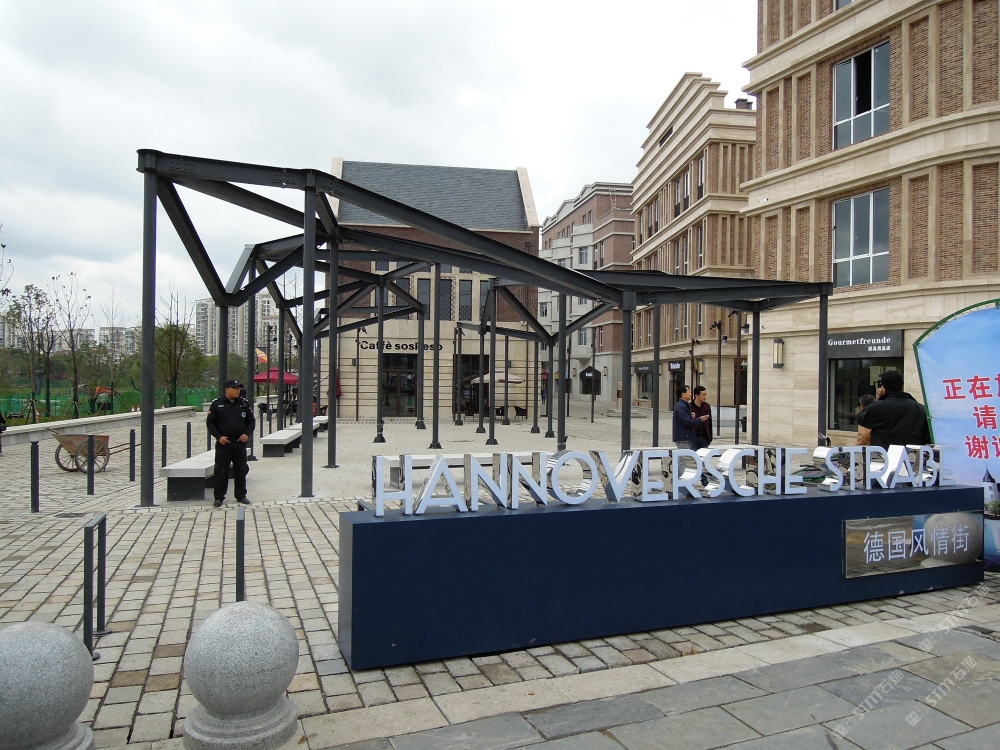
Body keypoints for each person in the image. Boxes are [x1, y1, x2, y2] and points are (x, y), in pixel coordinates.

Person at [206, 379, 256, 508]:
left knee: (241, 470)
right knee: (221, 471)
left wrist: (246, 434)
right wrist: (219, 437)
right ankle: (219, 497)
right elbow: (210, 423)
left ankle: (241, 495)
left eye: (239, 388)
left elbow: (251, 421)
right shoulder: (217, 404)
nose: (238, 390)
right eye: (235, 388)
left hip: (239, 443)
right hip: (224, 444)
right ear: (227, 389)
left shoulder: (244, 404)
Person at [857, 370, 930, 449]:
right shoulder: (920, 409)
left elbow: (862, 419)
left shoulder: (878, 407)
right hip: (910, 455)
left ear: (883, 389)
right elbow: (927, 437)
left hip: (883, 455)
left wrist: (879, 400)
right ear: (902, 385)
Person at [672, 384, 707, 450]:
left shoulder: (685, 405)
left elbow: (685, 419)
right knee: (685, 455)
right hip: (684, 438)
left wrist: (691, 417)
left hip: (687, 437)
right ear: (683, 394)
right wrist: (700, 419)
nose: (691, 394)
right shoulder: (681, 406)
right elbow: (687, 422)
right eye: (689, 392)